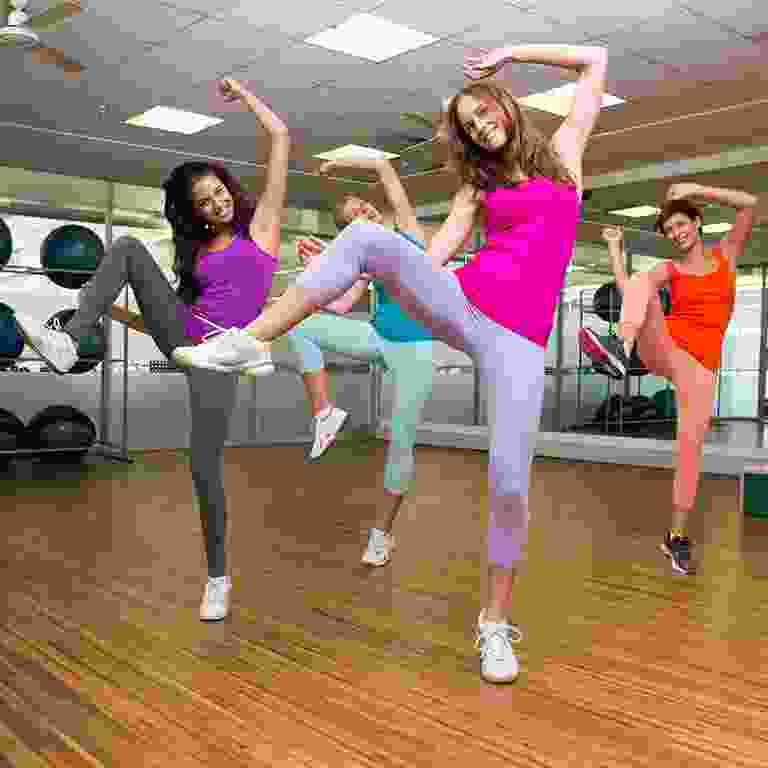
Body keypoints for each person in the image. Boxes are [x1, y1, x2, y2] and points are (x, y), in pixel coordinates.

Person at [172, 42, 608, 684]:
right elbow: (437, 253)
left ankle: (493, 624)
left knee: (510, 482)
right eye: (468, 125)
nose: (480, 126)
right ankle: (251, 340)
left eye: (484, 113)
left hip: (519, 341)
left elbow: (594, 61)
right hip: (468, 302)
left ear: (505, 105)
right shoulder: (477, 185)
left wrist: (511, 53)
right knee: (366, 237)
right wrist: (383, 271)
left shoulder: (566, 155)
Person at [15, 78, 289, 622]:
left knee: (203, 466)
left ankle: (217, 578)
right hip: (188, 335)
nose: (217, 203)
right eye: (205, 202)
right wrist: (110, 310)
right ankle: (70, 343)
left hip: (222, 355)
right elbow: (172, 317)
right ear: (196, 213)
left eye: (220, 192)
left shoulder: (261, 231)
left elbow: (280, 138)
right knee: (126, 247)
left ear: (230, 190)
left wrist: (246, 96)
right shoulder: (196, 254)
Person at [579, 182, 758, 575]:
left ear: (697, 222)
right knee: (643, 280)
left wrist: (697, 189)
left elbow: (750, 203)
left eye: (680, 224)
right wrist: (614, 250)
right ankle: (621, 348)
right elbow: (631, 289)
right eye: (669, 230)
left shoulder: (726, 255)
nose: (676, 234)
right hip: (665, 344)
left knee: (690, 449)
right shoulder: (671, 270)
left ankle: (675, 537)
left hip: (701, 368)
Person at [286, 156, 435, 566]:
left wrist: (338, 163)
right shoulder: (364, 264)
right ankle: (325, 412)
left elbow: (386, 170)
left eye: (364, 206)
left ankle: (381, 536)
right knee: (300, 325)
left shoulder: (407, 233)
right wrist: (313, 270)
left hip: (416, 350)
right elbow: (338, 305)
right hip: (378, 337)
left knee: (400, 442)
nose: (365, 212)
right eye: (354, 216)